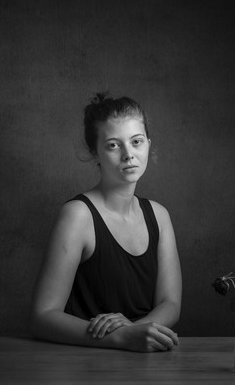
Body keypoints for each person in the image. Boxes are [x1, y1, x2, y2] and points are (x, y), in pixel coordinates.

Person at [29, 93, 182, 352]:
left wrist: (137, 332)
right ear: (95, 153)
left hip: (147, 360)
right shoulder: (77, 215)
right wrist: (121, 338)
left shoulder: (159, 215)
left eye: (136, 142)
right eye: (113, 145)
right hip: (88, 363)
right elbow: (42, 317)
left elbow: (170, 303)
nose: (128, 154)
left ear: (148, 144)